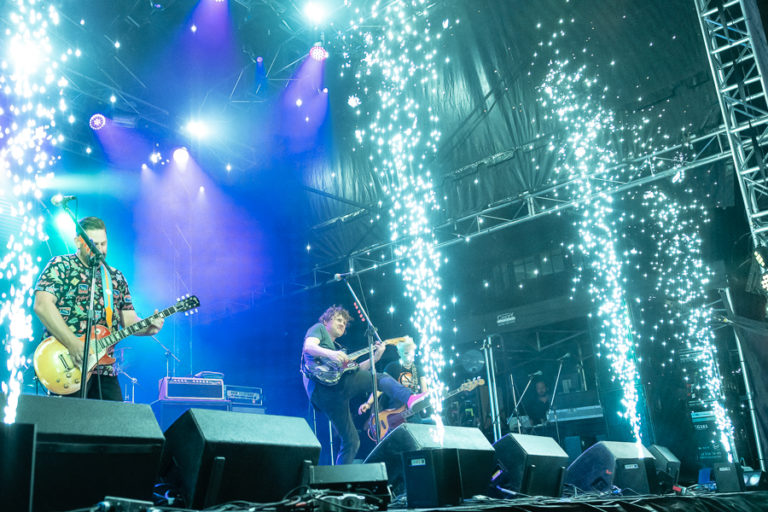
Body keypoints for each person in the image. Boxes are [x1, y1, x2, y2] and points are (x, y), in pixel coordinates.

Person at [33, 216, 164, 401]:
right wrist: (73, 344)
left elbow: (129, 322)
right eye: (93, 245)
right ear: (78, 242)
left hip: (104, 369)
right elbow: (42, 305)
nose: (100, 250)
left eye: (103, 244)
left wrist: (148, 328)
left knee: (115, 419)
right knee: (68, 419)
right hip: (68, 364)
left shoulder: (115, 277)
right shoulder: (60, 265)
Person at [301, 306, 427, 464]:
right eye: (338, 320)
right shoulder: (319, 329)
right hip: (322, 388)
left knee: (351, 441)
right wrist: (331, 354)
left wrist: (376, 357)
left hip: (334, 395)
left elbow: (356, 371)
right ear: (326, 321)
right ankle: (410, 398)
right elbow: (309, 347)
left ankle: (340, 478)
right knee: (379, 378)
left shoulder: (339, 349)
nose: (342, 324)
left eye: (345, 322)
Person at [358, 336, 429, 415]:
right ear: (399, 353)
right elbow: (380, 385)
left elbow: (425, 392)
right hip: (394, 410)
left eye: (412, 353)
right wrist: (368, 403)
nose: (409, 356)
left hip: (413, 411)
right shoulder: (392, 367)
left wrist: (427, 399)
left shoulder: (419, 369)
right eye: (406, 353)